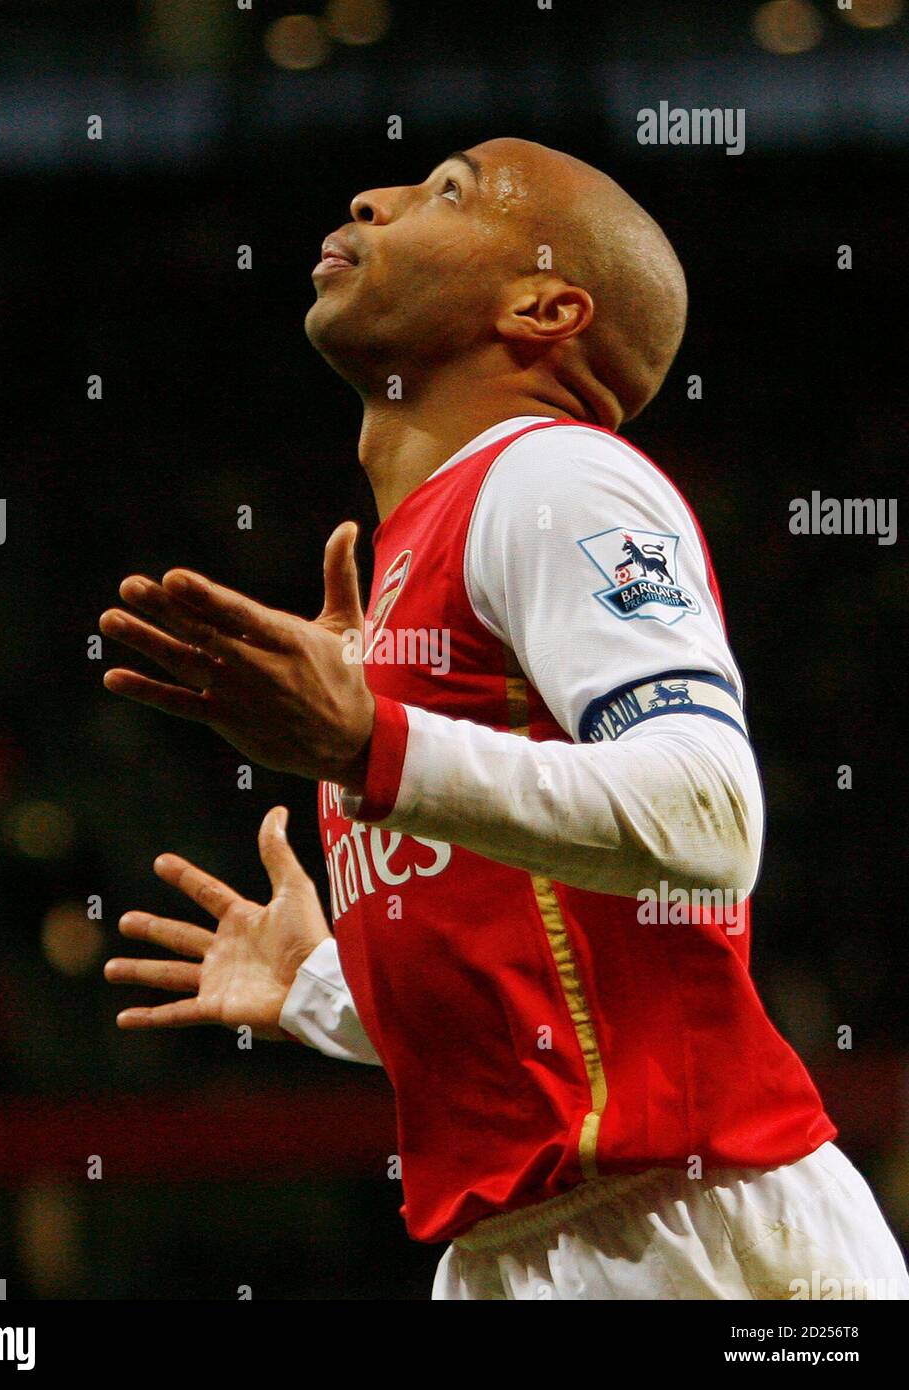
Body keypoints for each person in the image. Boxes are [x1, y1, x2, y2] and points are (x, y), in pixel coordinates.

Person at [100, 138, 908, 1300]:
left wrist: (367, 743)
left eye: (444, 191)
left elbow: (711, 816)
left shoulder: (554, 479)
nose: (366, 195)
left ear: (542, 306)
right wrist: (330, 988)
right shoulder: (413, 566)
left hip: (689, 1227)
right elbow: (561, 976)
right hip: (522, 1248)